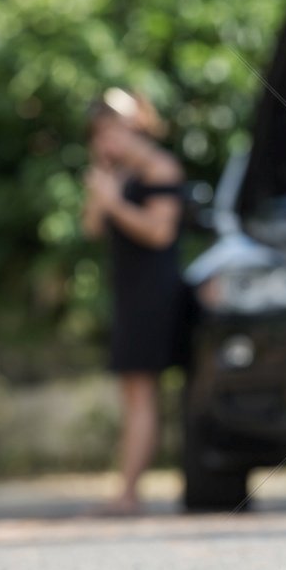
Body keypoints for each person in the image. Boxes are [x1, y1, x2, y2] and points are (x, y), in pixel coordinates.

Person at [82, 88, 186, 515]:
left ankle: (128, 493)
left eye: (113, 131)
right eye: (100, 135)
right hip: (127, 292)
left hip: (154, 293)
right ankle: (128, 489)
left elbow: (159, 233)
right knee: (132, 390)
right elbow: (92, 229)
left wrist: (114, 203)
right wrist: (101, 193)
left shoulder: (162, 168)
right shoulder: (117, 175)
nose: (107, 142)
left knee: (143, 390)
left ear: (135, 126)